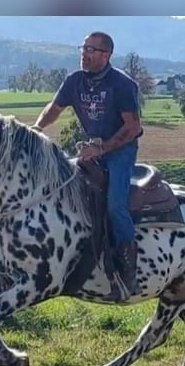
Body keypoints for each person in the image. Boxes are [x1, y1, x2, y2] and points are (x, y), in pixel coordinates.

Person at [33, 31, 143, 298]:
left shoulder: (122, 85)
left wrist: (101, 148)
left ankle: (128, 270)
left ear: (106, 55)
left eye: (91, 50)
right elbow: (54, 108)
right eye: (83, 48)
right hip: (91, 148)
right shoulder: (74, 81)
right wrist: (36, 128)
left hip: (119, 151)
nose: (84, 53)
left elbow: (133, 128)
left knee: (116, 204)